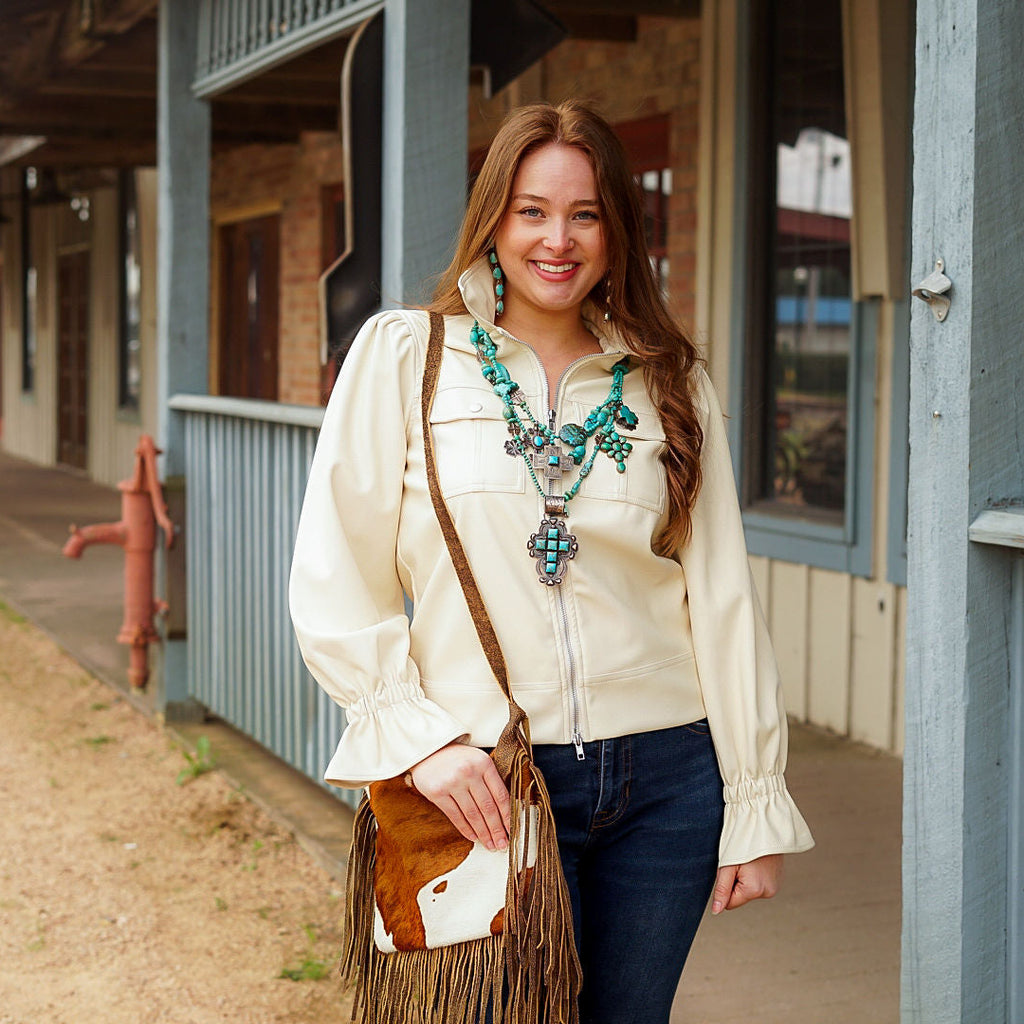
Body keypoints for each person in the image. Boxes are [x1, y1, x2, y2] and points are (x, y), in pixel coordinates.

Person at [289, 100, 814, 1024]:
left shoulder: (670, 381)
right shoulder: (408, 356)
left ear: (618, 229)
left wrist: (755, 802)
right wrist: (421, 742)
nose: (557, 240)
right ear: (494, 219)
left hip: (668, 782)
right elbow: (336, 574)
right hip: (488, 779)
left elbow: (722, 598)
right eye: (532, 210)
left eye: (586, 213)